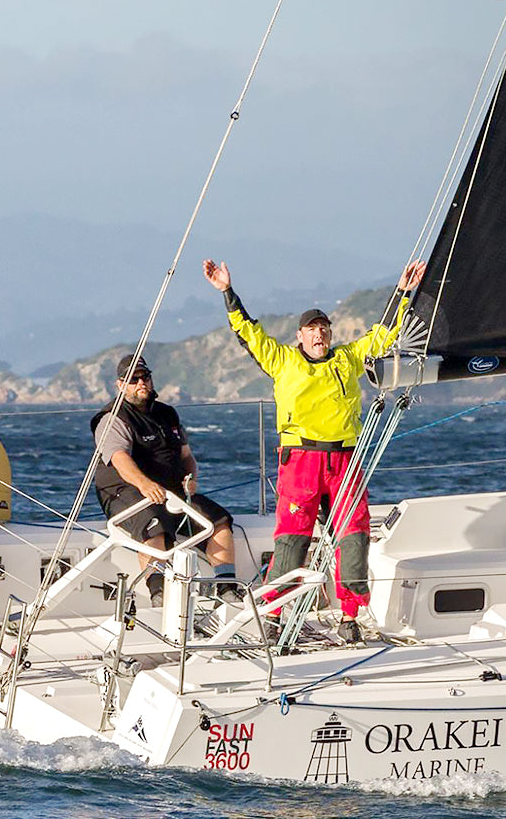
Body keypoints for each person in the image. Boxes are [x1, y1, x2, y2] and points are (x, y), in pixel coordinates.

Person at [203, 257, 424, 642]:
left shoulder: (348, 359)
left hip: (344, 459)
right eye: (311, 329)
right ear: (300, 336)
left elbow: (384, 334)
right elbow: (249, 333)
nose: (319, 333)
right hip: (301, 461)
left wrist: (403, 291)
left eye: (324, 328)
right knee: (292, 539)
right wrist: (227, 292)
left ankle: (350, 617)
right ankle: (274, 613)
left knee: (354, 536)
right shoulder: (283, 360)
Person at [91, 355, 236, 606]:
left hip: (171, 491)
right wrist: (144, 485)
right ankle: (159, 595)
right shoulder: (113, 418)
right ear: (120, 385)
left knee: (219, 521)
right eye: (133, 379)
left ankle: (227, 589)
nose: (141, 383)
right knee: (154, 526)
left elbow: (186, 456)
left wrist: (190, 478)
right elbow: (119, 458)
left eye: (145, 377)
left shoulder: (167, 414)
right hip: (124, 490)